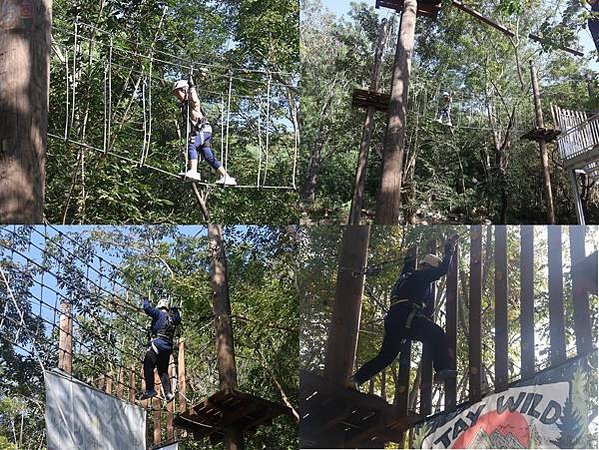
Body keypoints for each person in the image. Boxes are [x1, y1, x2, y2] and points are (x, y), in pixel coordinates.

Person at [350, 235, 459, 388]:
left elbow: (407, 267)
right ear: (429, 267)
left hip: (394, 319)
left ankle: (356, 379)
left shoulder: (407, 276)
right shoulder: (422, 275)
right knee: (436, 333)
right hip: (406, 317)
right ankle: (442, 369)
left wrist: (408, 259)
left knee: (386, 356)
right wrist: (449, 248)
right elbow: (443, 270)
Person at [172, 72, 236, 185]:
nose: (177, 97)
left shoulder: (192, 103)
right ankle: (226, 177)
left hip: (201, 130)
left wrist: (191, 87)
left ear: (184, 91)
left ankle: (193, 171)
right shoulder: (185, 105)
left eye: (178, 94)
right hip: (204, 131)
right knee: (208, 156)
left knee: (191, 146)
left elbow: (195, 100)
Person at [140, 298, 182, 401]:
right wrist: (175, 309)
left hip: (157, 345)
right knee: (163, 371)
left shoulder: (158, 313)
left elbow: (146, 308)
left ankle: (150, 389)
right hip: (167, 348)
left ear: (159, 306)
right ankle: (168, 393)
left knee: (148, 366)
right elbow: (178, 319)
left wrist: (146, 300)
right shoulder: (173, 318)